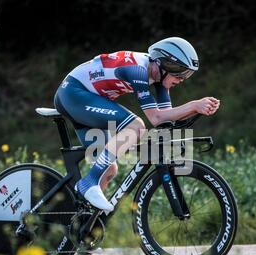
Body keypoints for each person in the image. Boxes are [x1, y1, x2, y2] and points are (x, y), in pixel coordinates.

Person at [54, 37, 220, 212]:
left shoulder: (160, 79)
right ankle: (89, 182)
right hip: (73, 93)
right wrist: (194, 105)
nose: (182, 79)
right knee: (136, 126)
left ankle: (82, 223)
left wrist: (198, 110)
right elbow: (155, 118)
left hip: (86, 99)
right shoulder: (137, 69)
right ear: (166, 65)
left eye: (187, 74)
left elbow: (167, 119)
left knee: (109, 169)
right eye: (181, 72)